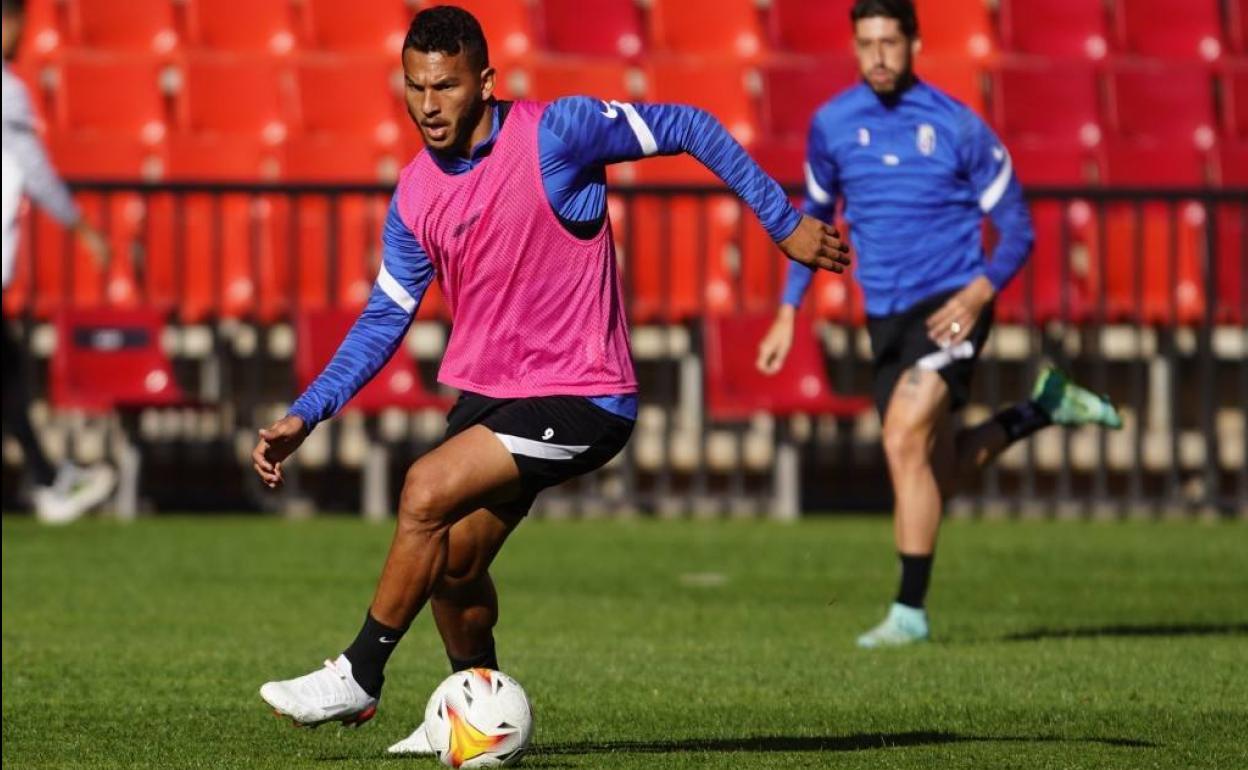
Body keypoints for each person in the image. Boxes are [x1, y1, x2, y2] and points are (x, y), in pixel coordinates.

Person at [250, 4, 850, 752]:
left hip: (583, 392)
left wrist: (783, 222)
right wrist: (305, 415)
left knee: (423, 491)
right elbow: (383, 318)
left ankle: (360, 672)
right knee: (452, 569)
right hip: (492, 396)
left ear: (486, 81)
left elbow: (693, 125)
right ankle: (481, 721)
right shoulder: (414, 193)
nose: (428, 106)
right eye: (415, 88)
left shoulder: (557, 135)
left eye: (445, 87)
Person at [755, 0, 1121, 648]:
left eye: (889, 42)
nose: (877, 55)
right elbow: (808, 222)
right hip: (887, 319)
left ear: (914, 42)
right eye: (865, 42)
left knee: (901, 440)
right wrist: (788, 308)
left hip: (954, 306)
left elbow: (1018, 229)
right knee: (934, 473)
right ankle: (1039, 409)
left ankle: (909, 611)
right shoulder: (833, 124)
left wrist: (981, 293)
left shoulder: (958, 127)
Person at [2, 0, 117, 525]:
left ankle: (50, 479)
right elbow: (37, 174)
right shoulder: (7, 91)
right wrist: (84, 230)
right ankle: (50, 481)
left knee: (9, 378)